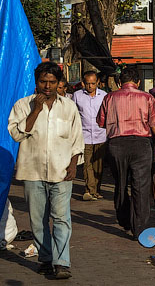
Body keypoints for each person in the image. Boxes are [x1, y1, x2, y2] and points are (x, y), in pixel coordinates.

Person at [7, 61, 83, 280]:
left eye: (52, 82)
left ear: (59, 83)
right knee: (38, 219)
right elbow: (17, 134)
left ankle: (62, 263)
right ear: (36, 82)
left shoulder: (68, 106)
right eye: (43, 82)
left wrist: (73, 165)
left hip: (61, 171)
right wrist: (36, 110)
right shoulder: (23, 105)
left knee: (61, 218)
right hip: (32, 171)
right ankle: (45, 258)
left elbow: (76, 137)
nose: (47, 87)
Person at [96, 66, 155, 239]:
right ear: (138, 82)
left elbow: (101, 122)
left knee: (120, 184)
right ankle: (139, 228)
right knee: (140, 187)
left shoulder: (109, 97)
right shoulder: (147, 97)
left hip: (116, 144)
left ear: (120, 82)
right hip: (141, 144)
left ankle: (124, 219)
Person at [71, 70, 108, 201]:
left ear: (97, 82)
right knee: (87, 164)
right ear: (83, 83)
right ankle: (89, 190)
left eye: (93, 83)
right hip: (84, 135)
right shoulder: (77, 96)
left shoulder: (104, 96)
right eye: (88, 83)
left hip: (101, 135)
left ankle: (96, 189)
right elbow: (73, 114)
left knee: (98, 165)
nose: (90, 86)